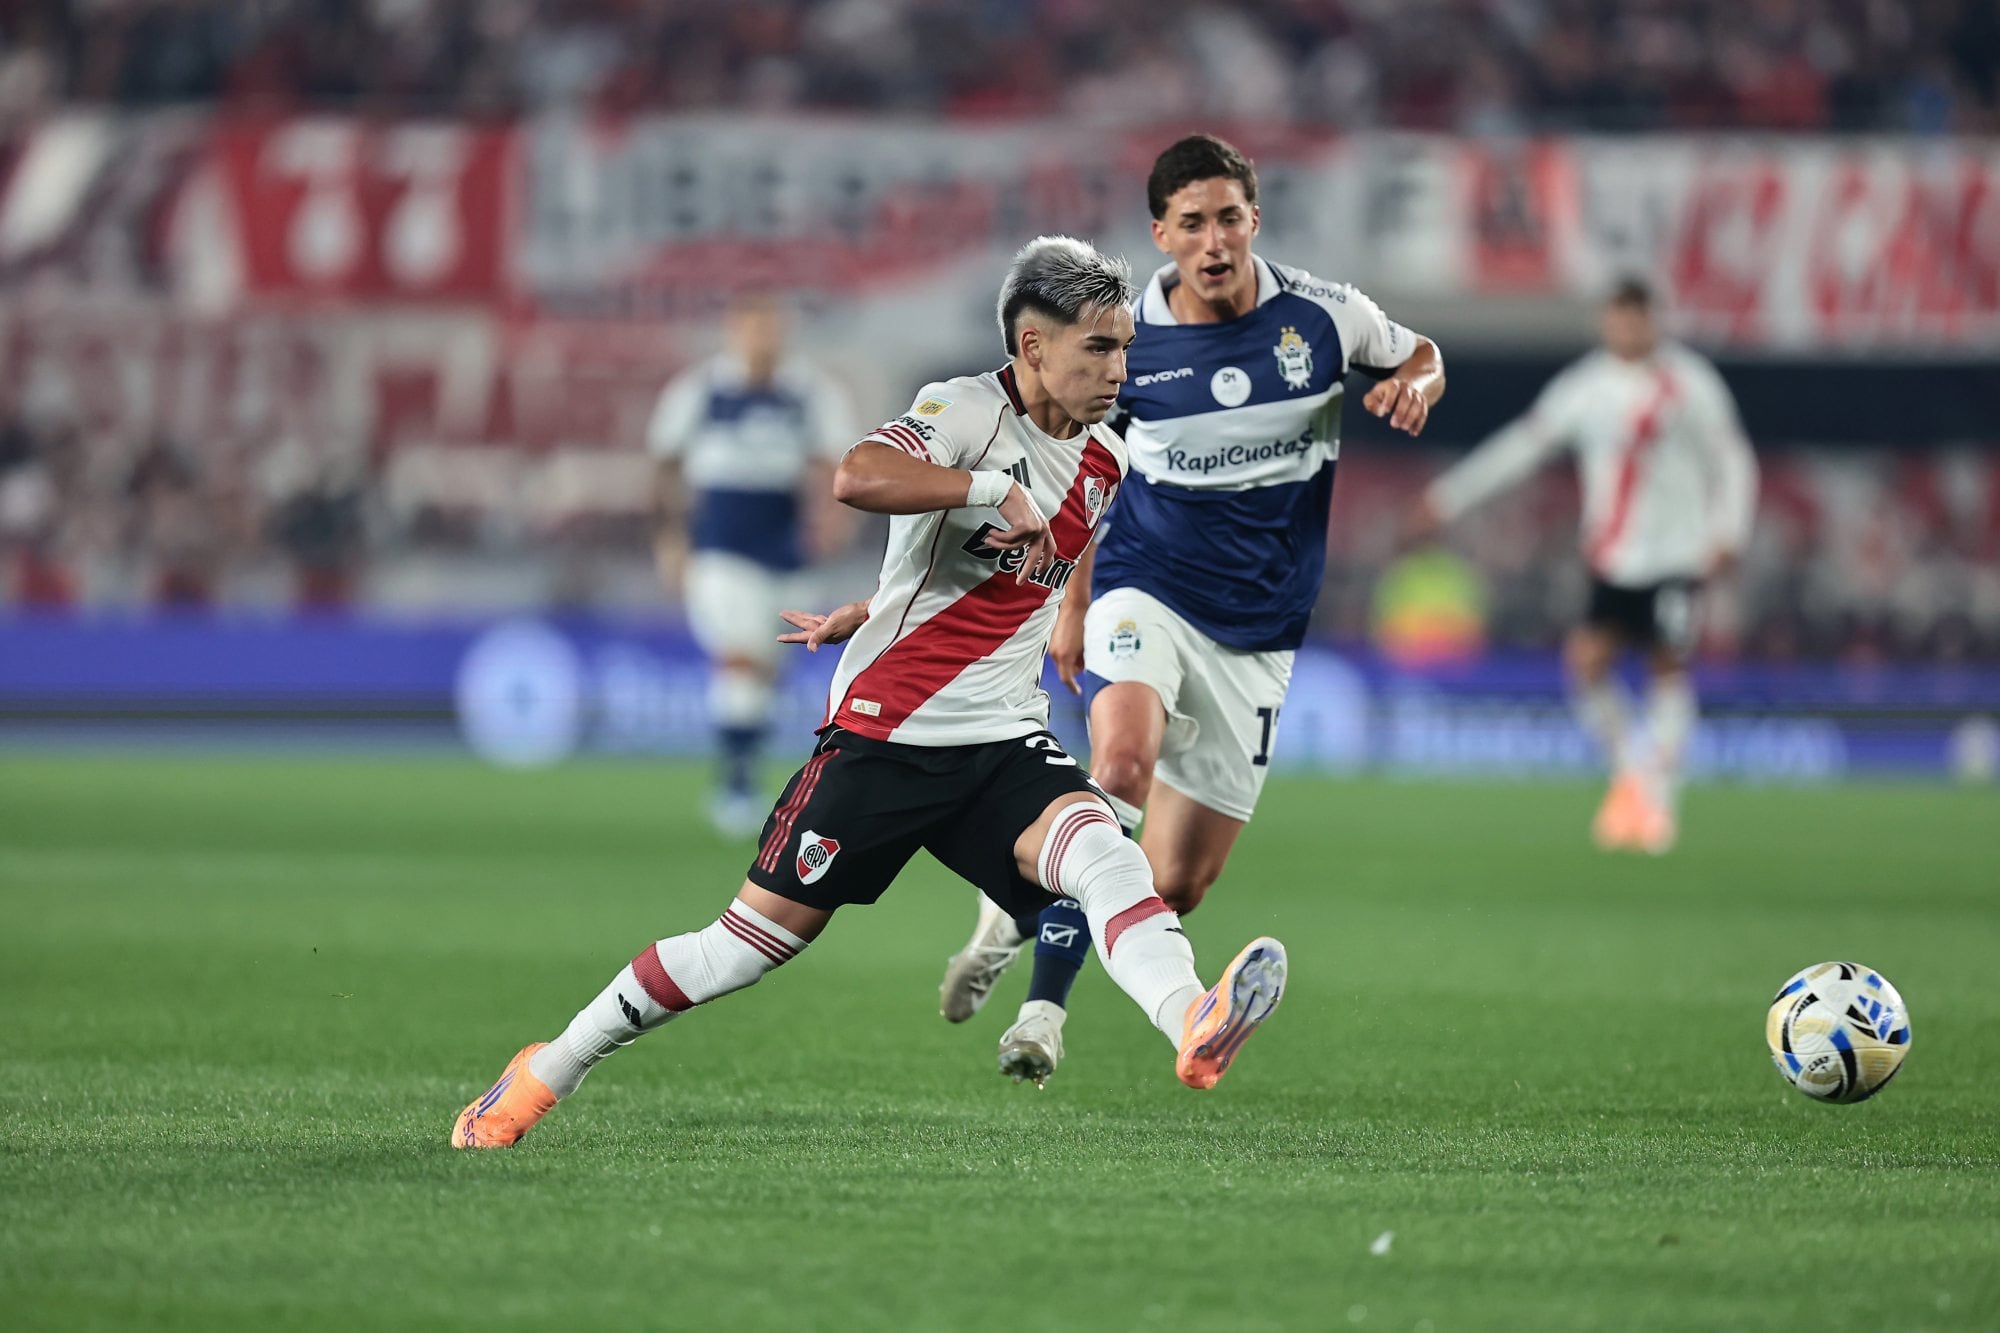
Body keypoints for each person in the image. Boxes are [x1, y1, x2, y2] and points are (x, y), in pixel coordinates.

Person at [451, 237, 1289, 1150]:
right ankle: (545, 1069)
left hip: (1000, 741)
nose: (1119, 369)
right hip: (885, 738)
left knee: (1105, 853)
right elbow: (856, 474)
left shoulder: (1106, 460)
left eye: (1125, 347)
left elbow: (1014, 570)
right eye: (1099, 348)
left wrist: (892, 602)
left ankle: (1193, 1023)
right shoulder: (966, 410)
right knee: (739, 948)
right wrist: (987, 488)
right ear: (1032, 347)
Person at [938, 134, 1443, 1087]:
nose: (1213, 241)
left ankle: (1014, 907)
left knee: (1173, 883)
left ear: (1255, 218)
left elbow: (1416, 351)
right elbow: (1082, 473)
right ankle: (1043, 1015)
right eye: (1191, 224)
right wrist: (1070, 603)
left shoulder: (1326, 320)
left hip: (1260, 631)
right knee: (1121, 762)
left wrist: (1417, 377)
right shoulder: (1124, 343)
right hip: (1148, 586)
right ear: (1160, 234)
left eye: (1229, 218)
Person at [1407, 278, 1757, 853]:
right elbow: (1521, 447)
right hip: (1613, 556)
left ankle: (1657, 804)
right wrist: (1446, 499)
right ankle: (1636, 778)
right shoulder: (1586, 389)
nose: (1627, 330)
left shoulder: (1689, 383)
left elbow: (1733, 457)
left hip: (1676, 553)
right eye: (1618, 319)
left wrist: (1729, 533)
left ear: (1653, 321)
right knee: (1587, 664)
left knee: (1666, 665)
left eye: (1637, 319)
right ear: (1605, 323)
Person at [648, 293, 857, 837]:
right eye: (754, 326)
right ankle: (736, 783)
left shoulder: (807, 393)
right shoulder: (702, 391)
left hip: (785, 549)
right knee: (739, 656)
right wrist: (670, 538)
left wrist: (832, 521)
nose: (764, 337)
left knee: (765, 667)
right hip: (720, 547)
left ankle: (742, 769)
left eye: (773, 326)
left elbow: (838, 462)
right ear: (734, 329)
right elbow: (665, 464)